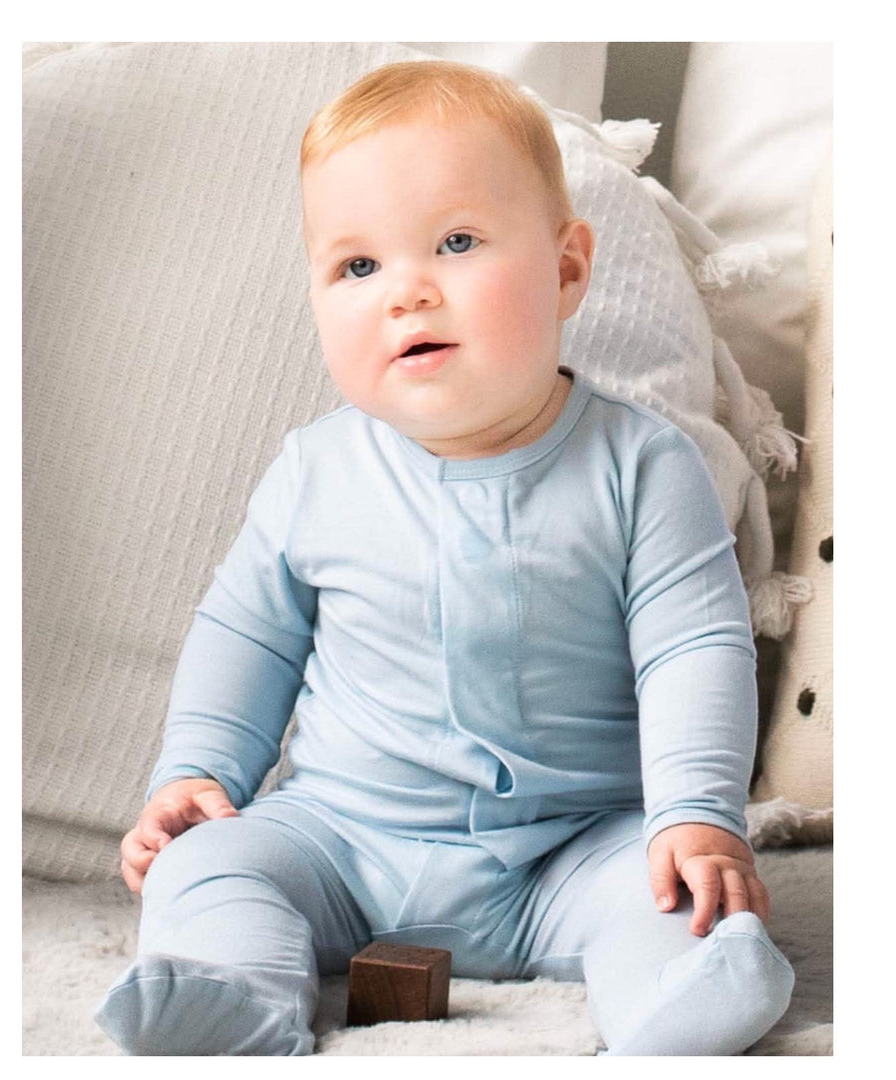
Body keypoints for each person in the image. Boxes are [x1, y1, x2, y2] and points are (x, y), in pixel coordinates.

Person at [95, 60, 795, 1056]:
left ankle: (680, 996)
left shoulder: (644, 465)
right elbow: (245, 635)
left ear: (566, 268)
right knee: (203, 868)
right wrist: (198, 772)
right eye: (357, 267)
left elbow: (694, 649)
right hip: (342, 839)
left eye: (457, 243)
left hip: (574, 849)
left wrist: (694, 812)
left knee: (680, 895)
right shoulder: (315, 471)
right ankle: (229, 991)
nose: (406, 293)